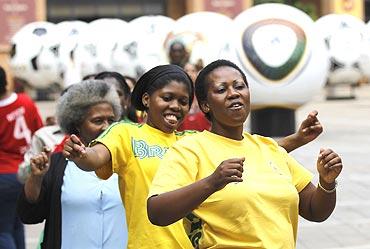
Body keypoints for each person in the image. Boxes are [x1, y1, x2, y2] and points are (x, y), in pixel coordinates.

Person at [62, 64, 323, 249]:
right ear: (146, 99)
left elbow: (246, 150)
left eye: (183, 101)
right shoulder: (126, 133)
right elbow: (95, 158)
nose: (176, 106)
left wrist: (296, 140)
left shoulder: (190, 140)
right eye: (167, 98)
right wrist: (81, 155)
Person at [147, 60, 343, 249]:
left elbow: (314, 210)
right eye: (221, 89)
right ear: (206, 105)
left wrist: (326, 183)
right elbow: (156, 212)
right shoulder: (190, 150)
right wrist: (212, 182)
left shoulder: (269, 148)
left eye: (239, 86)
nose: (233, 94)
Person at [17, 80, 128, 249]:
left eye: (111, 120)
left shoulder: (127, 162)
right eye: (98, 121)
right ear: (77, 124)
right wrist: (36, 179)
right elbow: (30, 215)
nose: (107, 127)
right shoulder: (56, 163)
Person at [0, 66, 43, 249]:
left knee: (2, 231)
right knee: (17, 226)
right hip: (25, 173)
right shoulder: (26, 101)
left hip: (3, 175)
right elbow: (38, 132)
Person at [178, 62, 210, 131]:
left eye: (193, 71)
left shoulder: (204, 94)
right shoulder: (176, 94)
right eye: (186, 71)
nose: (189, 74)